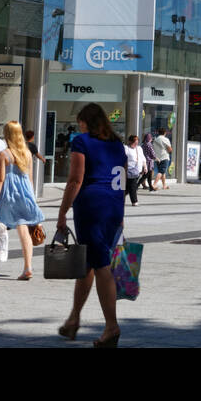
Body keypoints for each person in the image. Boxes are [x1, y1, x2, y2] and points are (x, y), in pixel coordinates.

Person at [57, 103, 126, 347]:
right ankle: (73, 319)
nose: (79, 127)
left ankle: (111, 327)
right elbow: (122, 180)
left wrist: (63, 211)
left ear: (87, 122)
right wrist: (121, 214)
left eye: (80, 123)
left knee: (100, 265)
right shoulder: (117, 144)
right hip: (113, 208)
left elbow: (76, 179)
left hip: (91, 208)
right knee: (86, 263)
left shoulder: (82, 142)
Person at [0, 121, 45, 280]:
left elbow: (0, 179)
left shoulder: (4, 154)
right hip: (25, 193)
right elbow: (30, 178)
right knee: (23, 231)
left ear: (7, 135)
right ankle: (28, 266)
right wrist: (32, 199)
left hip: (9, 193)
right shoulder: (27, 153)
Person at [124, 135, 146, 206]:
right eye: (134, 143)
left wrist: (145, 166)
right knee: (132, 186)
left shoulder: (139, 148)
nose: (135, 144)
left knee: (128, 187)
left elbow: (143, 158)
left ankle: (119, 198)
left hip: (137, 170)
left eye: (136, 143)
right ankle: (134, 201)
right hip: (128, 170)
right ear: (130, 141)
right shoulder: (126, 148)